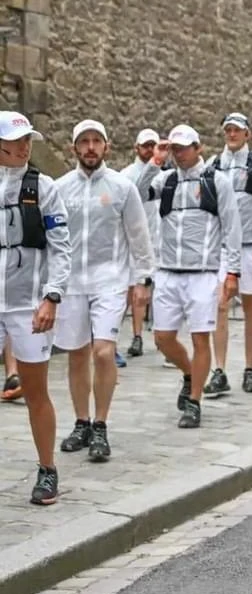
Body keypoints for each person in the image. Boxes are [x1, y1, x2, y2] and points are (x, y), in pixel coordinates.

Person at [53, 120, 155, 463]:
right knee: (77, 353)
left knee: (103, 352)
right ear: (74, 149)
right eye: (84, 142)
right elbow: (53, 240)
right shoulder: (60, 188)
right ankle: (81, 421)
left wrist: (142, 280)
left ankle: (101, 424)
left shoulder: (123, 187)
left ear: (106, 147)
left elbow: (139, 235)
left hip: (110, 281)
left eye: (97, 141)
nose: (91, 147)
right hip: (72, 284)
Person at [136, 125, 242, 428]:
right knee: (162, 339)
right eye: (175, 148)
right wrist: (154, 160)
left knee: (199, 339)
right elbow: (139, 192)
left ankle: (194, 401)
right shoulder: (165, 179)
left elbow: (232, 229)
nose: (179, 153)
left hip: (202, 275)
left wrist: (232, 273)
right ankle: (188, 373)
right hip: (168, 273)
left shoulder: (215, 182)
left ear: (198, 148)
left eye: (184, 147)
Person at [0, 111, 71, 505]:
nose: (26, 146)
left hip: (28, 305)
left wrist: (52, 296)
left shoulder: (44, 187)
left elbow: (61, 247)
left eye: (28, 139)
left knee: (35, 392)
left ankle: (48, 470)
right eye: (17, 139)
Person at [204, 113, 252, 397]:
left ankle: (249, 368)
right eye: (228, 130)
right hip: (224, 248)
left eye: (237, 130)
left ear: (247, 134)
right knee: (220, 304)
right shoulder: (214, 165)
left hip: (251, 246)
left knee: (250, 307)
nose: (232, 134)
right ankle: (219, 370)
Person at [120, 128, 163, 357]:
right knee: (133, 290)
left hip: (157, 241)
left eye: (152, 145)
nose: (148, 149)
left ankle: (160, 335)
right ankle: (136, 336)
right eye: (145, 145)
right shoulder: (127, 175)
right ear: (137, 148)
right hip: (133, 241)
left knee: (158, 291)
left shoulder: (164, 175)